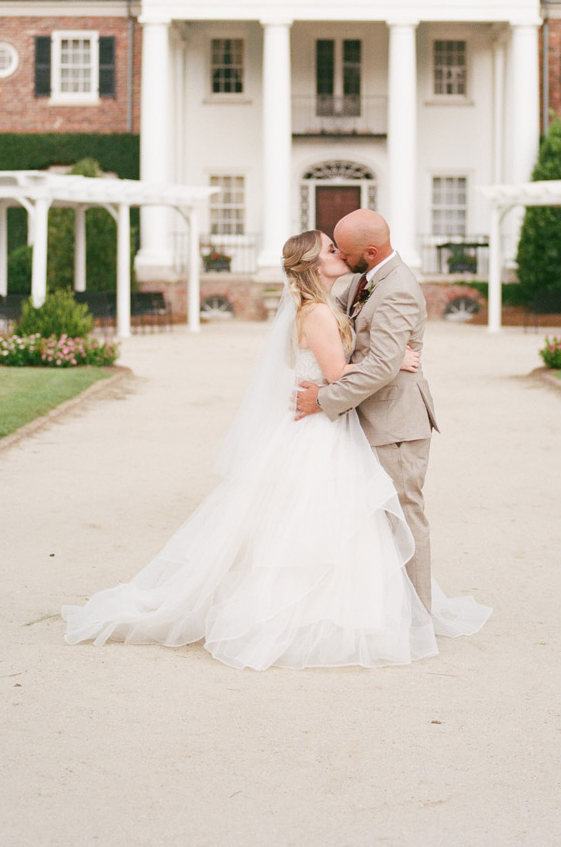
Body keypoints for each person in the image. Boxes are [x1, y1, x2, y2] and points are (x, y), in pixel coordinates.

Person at [61, 229, 489, 671]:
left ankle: (381, 609)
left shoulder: (328, 302)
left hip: (325, 422)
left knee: (324, 520)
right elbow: (338, 370)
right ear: (315, 266)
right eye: (329, 249)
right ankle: (323, 614)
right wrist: (392, 359)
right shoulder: (319, 312)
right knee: (323, 521)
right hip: (319, 426)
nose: (338, 253)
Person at [293, 210, 436, 613]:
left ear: (370, 253)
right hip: (363, 419)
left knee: (403, 518)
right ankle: (382, 610)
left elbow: (380, 366)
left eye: (345, 250)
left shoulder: (399, 289)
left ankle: (417, 617)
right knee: (370, 521)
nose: (338, 254)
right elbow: (326, 317)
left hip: (395, 424)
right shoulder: (360, 279)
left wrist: (322, 399)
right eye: (332, 248)